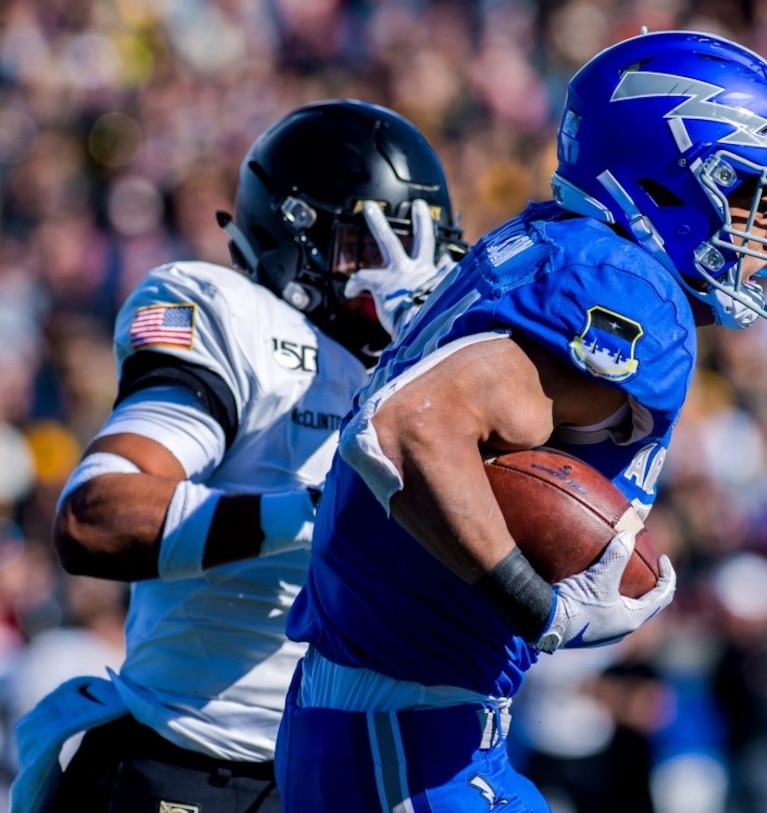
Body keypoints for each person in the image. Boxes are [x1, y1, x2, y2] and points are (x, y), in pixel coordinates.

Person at [275, 29, 767, 811]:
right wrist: (540, 607)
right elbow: (407, 427)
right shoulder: (631, 288)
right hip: (411, 739)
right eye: (755, 195)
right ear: (672, 180)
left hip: (394, 721)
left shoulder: (549, 244)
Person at [9, 99, 467, 813]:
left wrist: (439, 359)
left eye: (422, 247)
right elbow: (96, 515)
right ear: (294, 239)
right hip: (194, 767)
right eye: (369, 243)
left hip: (358, 779)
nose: (399, 272)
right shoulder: (239, 320)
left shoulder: (437, 365)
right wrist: (323, 513)